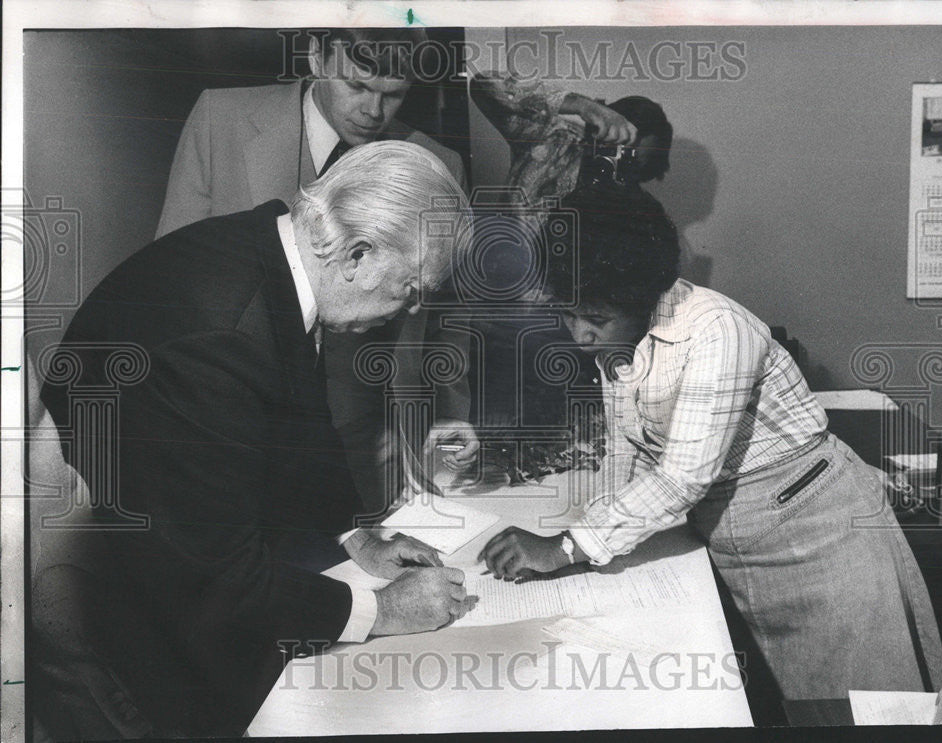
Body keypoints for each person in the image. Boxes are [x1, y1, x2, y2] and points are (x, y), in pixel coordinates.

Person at [38, 142, 476, 737]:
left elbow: (299, 418)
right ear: (357, 253)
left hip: (161, 550)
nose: (411, 309)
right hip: (113, 615)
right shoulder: (219, 339)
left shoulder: (269, 249)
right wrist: (383, 610)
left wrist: (354, 537)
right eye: (412, 288)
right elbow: (214, 584)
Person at [479, 186, 942, 700]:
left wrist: (568, 547)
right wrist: (598, 531)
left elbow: (683, 475)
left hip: (819, 532)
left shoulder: (718, 332)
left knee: (866, 705)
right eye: (569, 315)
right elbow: (627, 447)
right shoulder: (624, 336)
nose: (579, 337)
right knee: (800, 702)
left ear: (642, 299)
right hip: (735, 531)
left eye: (595, 320)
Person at [158, 27, 478, 511]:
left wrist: (452, 413)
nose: (374, 112)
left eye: (394, 96)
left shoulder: (437, 164)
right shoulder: (218, 119)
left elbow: (447, 312)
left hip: (369, 443)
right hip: (235, 429)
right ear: (316, 55)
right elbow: (173, 278)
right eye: (357, 86)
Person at [469, 72, 672, 217]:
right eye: (616, 148)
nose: (617, 164)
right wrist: (580, 104)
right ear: (597, 132)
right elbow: (484, 84)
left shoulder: (637, 211)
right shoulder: (553, 138)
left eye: (633, 163)